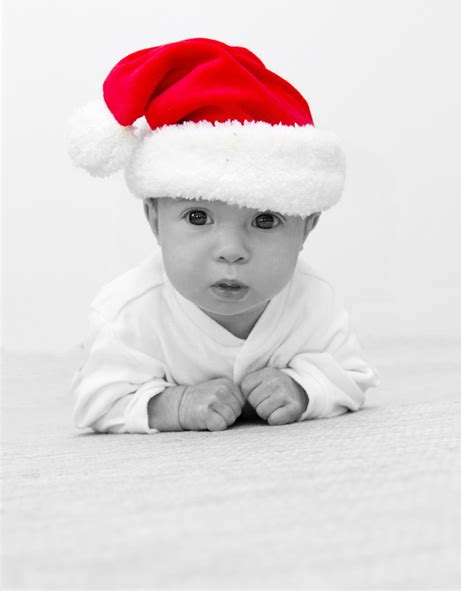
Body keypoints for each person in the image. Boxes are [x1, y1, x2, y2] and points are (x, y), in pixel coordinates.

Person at [68, 37, 380, 434]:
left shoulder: (313, 300)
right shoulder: (128, 313)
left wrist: (305, 389)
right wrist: (172, 404)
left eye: (265, 221)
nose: (232, 251)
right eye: (198, 216)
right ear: (154, 220)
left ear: (307, 225)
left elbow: (354, 373)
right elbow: (97, 400)